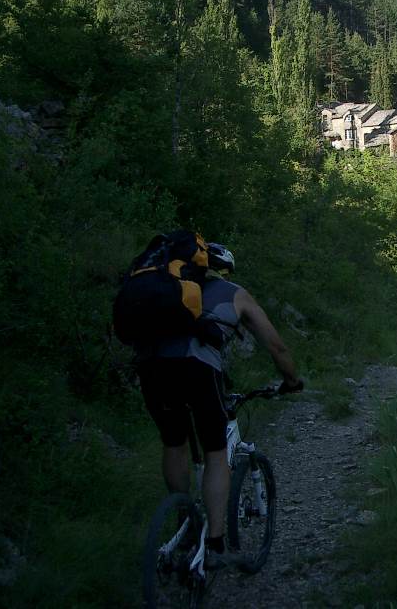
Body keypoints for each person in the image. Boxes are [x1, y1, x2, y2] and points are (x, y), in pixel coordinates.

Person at [136, 241, 303, 569]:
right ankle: (215, 544)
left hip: (152, 370)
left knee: (174, 443)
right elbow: (277, 347)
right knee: (215, 454)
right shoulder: (235, 293)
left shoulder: (164, 289)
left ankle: (183, 521)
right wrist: (292, 381)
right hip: (197, 370)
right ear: (223, 269)